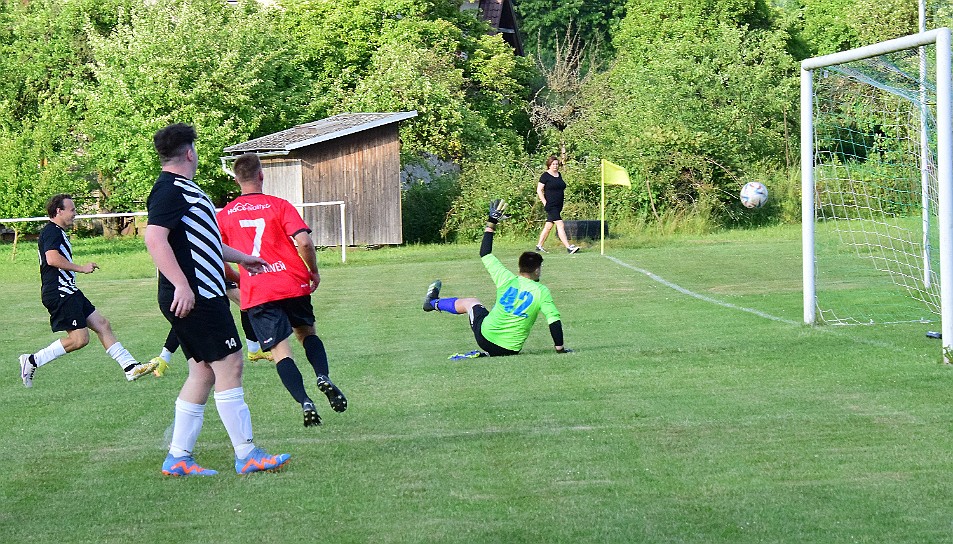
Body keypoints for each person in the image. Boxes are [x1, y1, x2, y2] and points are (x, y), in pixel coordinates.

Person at [145, 123, 289, 476]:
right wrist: (181, 285)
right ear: (190, 152)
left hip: (202, 292)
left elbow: (204, 242)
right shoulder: (170, 190)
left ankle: (178, 457)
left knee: (204, 371)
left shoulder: (184, 189)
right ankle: (247, 453)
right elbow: (154, 239)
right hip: (197, 297)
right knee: (232, 364)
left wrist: (243, 258)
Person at [217, 153, 347, 428]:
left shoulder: (225, 215)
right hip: (292, 282)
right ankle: (322, 375)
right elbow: (305, 242)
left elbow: (217, 257)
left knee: (280, 351)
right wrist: (313, 270)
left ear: (237, 179)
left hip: (259, 291)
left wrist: (240, 279)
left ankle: (305, 401)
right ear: (261, 175)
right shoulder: (279, 205)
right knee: (306, 333)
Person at [17, 194, 157, 388]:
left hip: (69, 290)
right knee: (80, 339)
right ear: (59, 211)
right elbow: (52, 259)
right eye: (72, 210)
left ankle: (130, 367)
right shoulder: (52, 232)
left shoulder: (57, 232)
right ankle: (32, 361)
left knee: (102, 324)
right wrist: (81, 268)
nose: (75, 213)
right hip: (60, 292)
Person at [423, 199, 573, 357]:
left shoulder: (506, 279)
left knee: (471, 302)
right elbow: (553, 321)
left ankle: (432, 303)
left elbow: (485, 253)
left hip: (486, 338)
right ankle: (431, 303)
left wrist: (491, 222)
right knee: (479, 308)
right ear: (536, 270)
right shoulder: (542, 292)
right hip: (510, 349)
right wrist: (560, 349)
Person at [151, 273, 272, 377]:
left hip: (211, 272)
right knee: (246, 303)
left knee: (187, 317)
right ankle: (254, 350)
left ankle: (254, 349)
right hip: (209, 273)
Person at [535, 155, 580, 254]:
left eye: (556, 164)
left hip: (558, 205)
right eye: (553, 164)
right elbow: (539, 190)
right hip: (550, 205)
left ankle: (539, 246)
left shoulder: (559, 174)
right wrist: (545, 202)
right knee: (560, 224)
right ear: (549, 165)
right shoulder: (545, 176)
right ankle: (568, 248)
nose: (555, 166)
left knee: (548, 226)